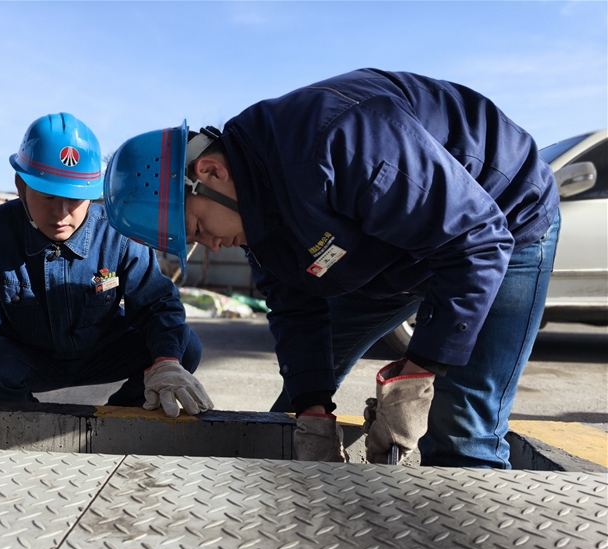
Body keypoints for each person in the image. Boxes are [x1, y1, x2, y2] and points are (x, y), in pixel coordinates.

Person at [102, 69, 560, 469]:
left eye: (198, 228)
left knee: (461, 432)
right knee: (295, 415)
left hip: (502, 224)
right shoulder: (255, 213)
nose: (212, 245)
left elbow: (476, 241)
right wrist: (313, 411)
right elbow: (296, 310)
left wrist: (416, 376)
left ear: (209, 173)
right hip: (392, 253)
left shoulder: (341, 141)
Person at [0, 113, 212, 443]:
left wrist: (166, 361)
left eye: (74, 198)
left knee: (183, 348)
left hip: (104, 349)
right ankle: (34, 428)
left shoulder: (118, 233)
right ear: (21, 186)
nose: (61, 213)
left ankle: (119, 422)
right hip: (29, 355)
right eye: (48, 196)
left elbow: (158, 304)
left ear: (92, 194)